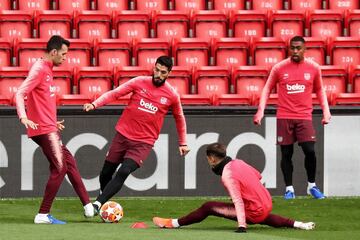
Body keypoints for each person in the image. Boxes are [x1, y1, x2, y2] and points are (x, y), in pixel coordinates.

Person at [83, 55, 190, 213]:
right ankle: (104, 198)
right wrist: (95, 104)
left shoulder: (172, 95)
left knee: (124, 171)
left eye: (163, 72)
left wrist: (183, 142)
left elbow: (179, 118)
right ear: (154, 67)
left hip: (143, 142)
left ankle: (97, 204)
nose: (158, 75)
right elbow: (115, 93)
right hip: (123, 135)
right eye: (157, 70)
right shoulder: (139, 82)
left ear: (169, 73)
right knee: (106, 173)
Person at [15, 35, 94, 224]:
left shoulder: (47, 68)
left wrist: (52, 120)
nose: (65, 58)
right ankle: (42, 214)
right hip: (43, 130)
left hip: (48, 126)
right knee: (60, 168)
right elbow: (20, 93)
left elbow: (41, 99)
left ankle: (88, 206)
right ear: (54, 52)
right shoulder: (40, 69)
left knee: (69, 163)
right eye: (64, 54)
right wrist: (23, 116)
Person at [153, 142, 315, 232]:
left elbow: (237, 201)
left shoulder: (227, 175)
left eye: (208, 159)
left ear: (212, 159)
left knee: (208, 207)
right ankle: (299, 224)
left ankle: (173, 223)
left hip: (254, 210)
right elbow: (258, 175)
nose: (208, 162)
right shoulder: (238, 162)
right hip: (266, 202)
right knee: (264, 216)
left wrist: (242, 226)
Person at [253, 36, 331, 200]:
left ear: (305, 49)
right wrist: (261, 111)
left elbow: (320, 90)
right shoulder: (279, 68)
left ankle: (312, 186)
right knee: (286, 153)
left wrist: (326, 112)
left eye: (298, 48)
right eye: (292, 48)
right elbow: (267, 89)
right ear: (289, 49)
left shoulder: (314, 68)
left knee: (310, 151)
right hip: (284, 116)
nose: (295, 51)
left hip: (304, 116)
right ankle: (289, 189)